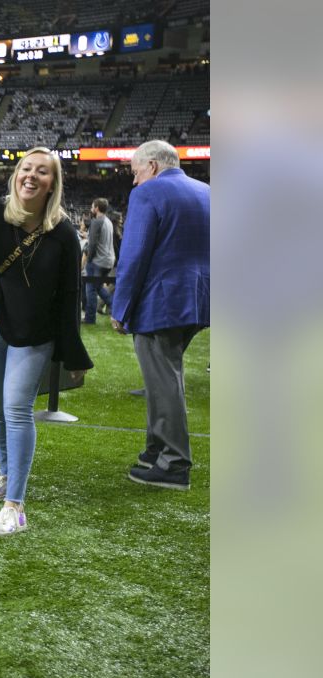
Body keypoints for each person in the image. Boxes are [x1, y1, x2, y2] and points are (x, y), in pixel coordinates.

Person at [0, 134, 93, 536]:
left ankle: (15, 506)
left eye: (42, 171)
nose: (31, 176)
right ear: (16, 176)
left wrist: (74, 357)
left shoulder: (62, 233)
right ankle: (7, 475)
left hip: (34, 333)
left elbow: (69, 298)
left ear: (52, 183)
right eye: (26, 168)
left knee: (16, 408)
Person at [113, 140, 210, 491]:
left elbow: (134, 254)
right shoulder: (207, 191)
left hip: (161, 302)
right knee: (167, 375)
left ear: (152, 166)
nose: (135, 182)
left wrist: (120, 308)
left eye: (137, 173)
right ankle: (156, 450)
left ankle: (173, 462)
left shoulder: (147, 194)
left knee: (164, 380)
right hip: (199, 300)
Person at [82, 198, 116, 324]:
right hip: (108, 261)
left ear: (96, 208)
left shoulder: (96, 222)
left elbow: (92, 245)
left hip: (98, 261)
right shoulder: (108, 221)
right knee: (98, 287)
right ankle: (114, 306)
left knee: (90, 289)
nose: (91, 209)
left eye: (92, 207)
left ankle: (90, 318)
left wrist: (88, 261)